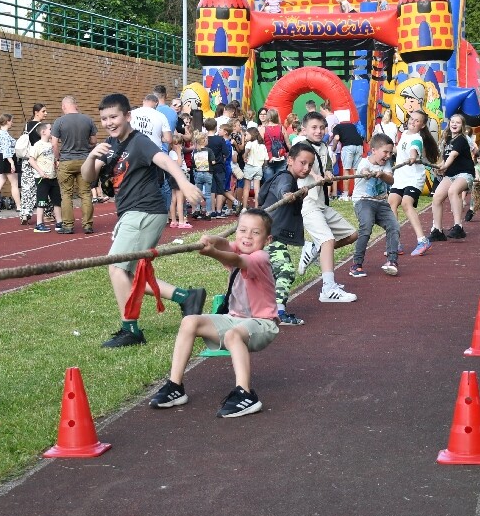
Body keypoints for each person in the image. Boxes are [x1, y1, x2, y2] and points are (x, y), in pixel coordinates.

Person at [80, 93, 206, 348]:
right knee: (129, 273)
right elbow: (87, 177)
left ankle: (131, 330)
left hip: (144, 211)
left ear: (128, 116)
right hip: (131, 212)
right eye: (104, 118)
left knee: (116, 268)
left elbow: (166, 161)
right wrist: (91, 156)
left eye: (114, 117)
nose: (109, 122)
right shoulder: (109, 145)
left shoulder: (139, 142)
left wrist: (184, 183)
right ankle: (186, 297)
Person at [148, 209, 280, 417]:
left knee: (233, 335)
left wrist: (212, 252)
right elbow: (225, 244)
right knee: (190, 322)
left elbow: (235, 259)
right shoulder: (238, 247)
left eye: (255, 233)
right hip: (234, 319)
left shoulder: (260, 257)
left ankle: (245, 395)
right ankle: (175, 386)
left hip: (263, 323)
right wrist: (210, 238)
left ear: (267, 239)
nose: (247, 236)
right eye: (243, 230)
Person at [295, 111, 358, 303]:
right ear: (304, 129)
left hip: (322, 203)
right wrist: (314, 175)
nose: (319, 131)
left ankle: (314, 249)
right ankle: (328, 288)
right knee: (328, 240)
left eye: (322, 127)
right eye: (314, 127)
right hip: (308, 202)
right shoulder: (300, 146)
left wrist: (329, 173)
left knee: (351, 235)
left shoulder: (323, 147)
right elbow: (298, 166)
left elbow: (328, 166)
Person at [259, 142, 317, 326]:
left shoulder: (292, 180)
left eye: (310, 165)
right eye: (302, 163)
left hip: (267, 235)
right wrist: (287, 194)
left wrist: (299, 195)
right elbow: (282, 189)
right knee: (285, 271)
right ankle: (278, 313)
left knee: (270, 274)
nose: (306, 168)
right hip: (269, 237)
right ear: (290, 160)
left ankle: (264, 309)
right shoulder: (285, 177)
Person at [389, 83, 439, 257]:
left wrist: (412, 157)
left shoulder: (417, 138)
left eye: (417, 121)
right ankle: (395, 242)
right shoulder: (404, 134)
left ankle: (422, 240)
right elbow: (399, 150)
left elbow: (413, 149)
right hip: (400, 177)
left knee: (406, 203)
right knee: (391, 203)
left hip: (413, 177)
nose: (413, 121)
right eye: (411, 118)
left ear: (422, 125)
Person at [347, 133, 400, 278]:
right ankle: (356, 264)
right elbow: (363, 170)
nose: (388, 156)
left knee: (394, 226)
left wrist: (381, 174)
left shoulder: (386, 165)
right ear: (374, 150)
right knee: (366, 226)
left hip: (381, 202)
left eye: (390, 152)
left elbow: (391, 180)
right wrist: (367, 173)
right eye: (385, 152)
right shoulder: (364, 162)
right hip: (364, 201)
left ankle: (392, 261)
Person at [52, 95, 97, 235]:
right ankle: (87, 225)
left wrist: (58, 158)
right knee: (86, 193)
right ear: (76, 105)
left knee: (66, 194)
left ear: (63, 106)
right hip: (84, 161)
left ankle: (68, 225)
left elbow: (54, 144)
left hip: (66, 160)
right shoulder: (88, 119)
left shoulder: (59, 121)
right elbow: (94, 141)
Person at [428, 113, 473, 241]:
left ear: (462, 126)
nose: (454, 124)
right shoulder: (448, 140)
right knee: (437, 197)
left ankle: (458, 226)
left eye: (457, 122)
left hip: (465, 173)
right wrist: (438, 167)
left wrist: (444, 167)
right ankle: (437, 230)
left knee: (453, 191)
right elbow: (445, 159)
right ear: (449, 124)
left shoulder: (461, 139)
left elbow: (453, 156)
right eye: (452, 122)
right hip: (451, 175)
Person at [18, 103, 50, 224]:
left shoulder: (27, 125)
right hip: (38, 161)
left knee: (27, 189)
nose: (46, 113)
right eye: (43, 111)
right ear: (36, 112)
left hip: (26, 160)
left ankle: (25, 214)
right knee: (44, 187)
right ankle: (47, 213)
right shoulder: (42, 127)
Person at [28, 122, 61, 233]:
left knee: (57, 200)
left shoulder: (52, 144)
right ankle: (39, 224)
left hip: (53, 177)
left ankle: (59, 222)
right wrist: (40, 171)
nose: (52, 131)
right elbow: (31, 160)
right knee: (42, 201)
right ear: (43, 132)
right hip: (42, 178)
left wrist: (56, 162)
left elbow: (54, 158)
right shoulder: (38, 145)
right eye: (50, 129)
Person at [0, 113, 20, 215]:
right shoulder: (4, 134)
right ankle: (19, 206)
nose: (12, 123)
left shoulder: (0, 133)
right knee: (14, 183)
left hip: (0, 159)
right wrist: (12, 163)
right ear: (7, 122)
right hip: (7, 159)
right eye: (11, 121)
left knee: (0, 182)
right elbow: (6, 150)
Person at [331, 115, 364, 200]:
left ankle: (345, 194)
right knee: (356, 170)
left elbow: (336, 138)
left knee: (346, 170)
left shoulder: (336, 128)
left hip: (348, 147)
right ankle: (357, 193)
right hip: (359, 146)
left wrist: (333, 148)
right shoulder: (351, 125)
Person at [191, 126, 214, 219]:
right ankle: (208, 212)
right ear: (204, 140)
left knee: (198, 193)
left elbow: (193, 163)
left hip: (198, 173)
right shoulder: (209, 151)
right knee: (208, 194)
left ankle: (197, 209)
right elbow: (213, 161)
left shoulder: (195, 151)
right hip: (208, 173)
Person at [242, 126, 267, 208]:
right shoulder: (262, 145)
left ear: (251, 135)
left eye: (246, 135)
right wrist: (263, 166)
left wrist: (245, 156)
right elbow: (266, 159)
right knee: (257, 189)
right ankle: (256, 207)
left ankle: (244, 207)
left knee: (246, 188)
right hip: (259, 168)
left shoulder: (250, 143)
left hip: (250, 166)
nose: (245, 136)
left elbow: (247, 150)